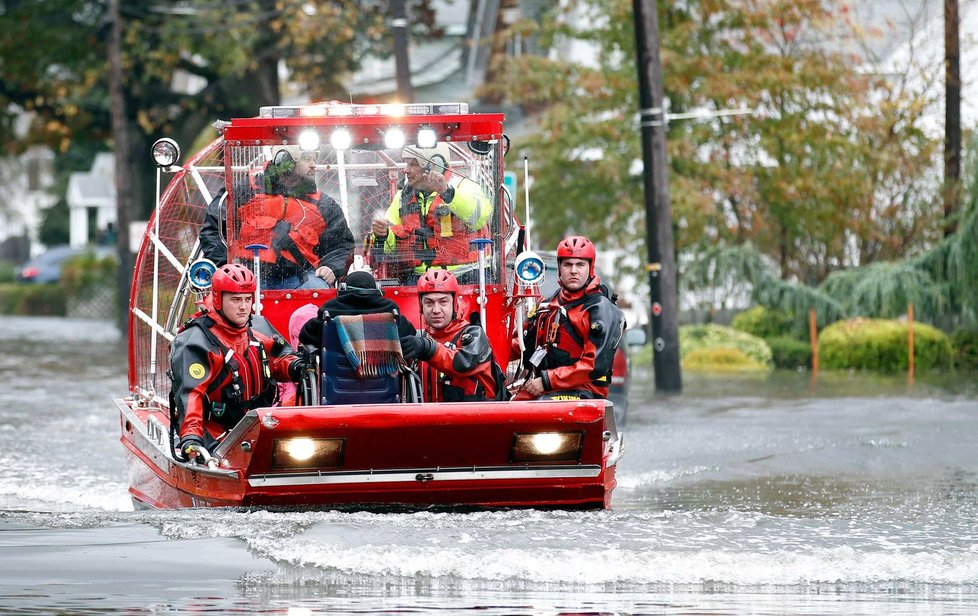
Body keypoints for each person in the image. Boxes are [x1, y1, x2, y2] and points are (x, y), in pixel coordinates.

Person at [169, 263, 310, 462]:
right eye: (235, 300)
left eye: (247, 299)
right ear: (218, 299)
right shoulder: (195, 342)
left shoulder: (258, 326)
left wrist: (296, 366)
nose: (244, 307)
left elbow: (279, 359)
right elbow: (190, 394)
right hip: (215, 431)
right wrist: (192, 436)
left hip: (260, 424)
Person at [199, 146, 356, 289]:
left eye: (314, 159)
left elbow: (342, 245)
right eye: (307, 159)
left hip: (300, 279)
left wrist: (331, 267)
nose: (314, 165)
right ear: (285, 160)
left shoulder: (323, 205)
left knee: (318, 288)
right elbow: (213, 231)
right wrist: (226, 268)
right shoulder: (245, 190)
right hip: (249, 277)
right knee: (234, 294)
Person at [513, 235, 624, 401]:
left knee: (542, 407)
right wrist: (486, 350)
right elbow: (520, 343)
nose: (573, 270)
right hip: (545, 386)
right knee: (509, 406)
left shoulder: (600, 310)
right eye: (567, 264)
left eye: (580, 264)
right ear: (559, 268)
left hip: (585, 391)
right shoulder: (547, 305)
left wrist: (546, 381)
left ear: (590, 267)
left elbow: (593, 366)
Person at [369, 143, 493, 284]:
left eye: (413, 164)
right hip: (419, 279)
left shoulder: (463, 186)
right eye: (406, 163)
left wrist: (447, 192)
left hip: (468, 274)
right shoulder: (402, 197)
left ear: (435, 166)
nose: (406, 170)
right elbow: (389, 247)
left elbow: (479, 217)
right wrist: (383, 234)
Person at [400, 269, 504, 402]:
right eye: (429, 303)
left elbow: (463, 363)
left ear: (454, 303)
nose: (436, 310)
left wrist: (427, 348)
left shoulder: (475, 335)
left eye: (443, 302)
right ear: (421, 306)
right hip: (428, 419)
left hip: (474, 419)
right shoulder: (420, 339)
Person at [297, 270, 416, 349]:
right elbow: (411, 334)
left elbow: (305, 335)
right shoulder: (392, 314)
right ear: (377, 290)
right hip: (385, 383)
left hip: (337, 383)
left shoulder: (329, 313)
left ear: (343, 289)